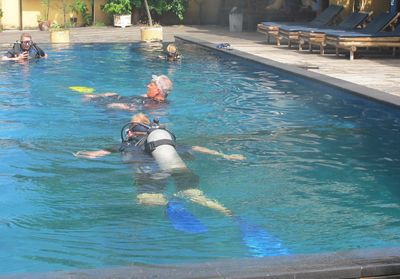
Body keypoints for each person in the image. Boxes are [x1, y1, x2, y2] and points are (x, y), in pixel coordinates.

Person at [74, 113, 245, 214]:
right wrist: (226, 155)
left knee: (146, 199)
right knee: (195, 195)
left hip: (150, 176)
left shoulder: (125, 144)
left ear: (130, 132)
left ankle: (167, 201)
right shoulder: (164, 144)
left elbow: (95, 155)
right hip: (178, 168)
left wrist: (79, 153)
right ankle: (226, 212)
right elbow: (197, 148)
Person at [83, 75, 173, 112]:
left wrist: (120, 106)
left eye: (151, 85)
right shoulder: (152, 98)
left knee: (88, 98)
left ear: (157, 90)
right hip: (123, 99)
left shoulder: (157, 106)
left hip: (121, 106)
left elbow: (135, 109)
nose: (147, 86)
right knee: (110, 93)